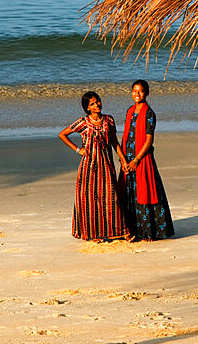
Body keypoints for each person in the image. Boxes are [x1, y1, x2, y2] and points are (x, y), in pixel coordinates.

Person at [59, 91, 130, 242]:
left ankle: (121, 232)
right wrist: (78, 150)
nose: (97, 105)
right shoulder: (83, 122)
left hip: (106, 165)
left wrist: (123, 160)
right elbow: (62, 134)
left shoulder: (109, 120)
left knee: (112, 197)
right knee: (90, 200)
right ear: (87, 108)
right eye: (92, 104)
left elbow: (115, 143)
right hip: (89, 167)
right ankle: (93, 234)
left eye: (97, 101)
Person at [119, 80, 175, 240]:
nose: (137, 94)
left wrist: (136, 160)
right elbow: (127, 135)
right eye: (134, 91)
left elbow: (149, 141)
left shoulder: (149, 113)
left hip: (142, 158)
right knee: (130, 194)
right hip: (127, 158)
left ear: (147, 93)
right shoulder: (130, 111)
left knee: (147, 193)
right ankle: (132, 230)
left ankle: (150, 232)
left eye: (141, 91)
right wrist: (123, 160)